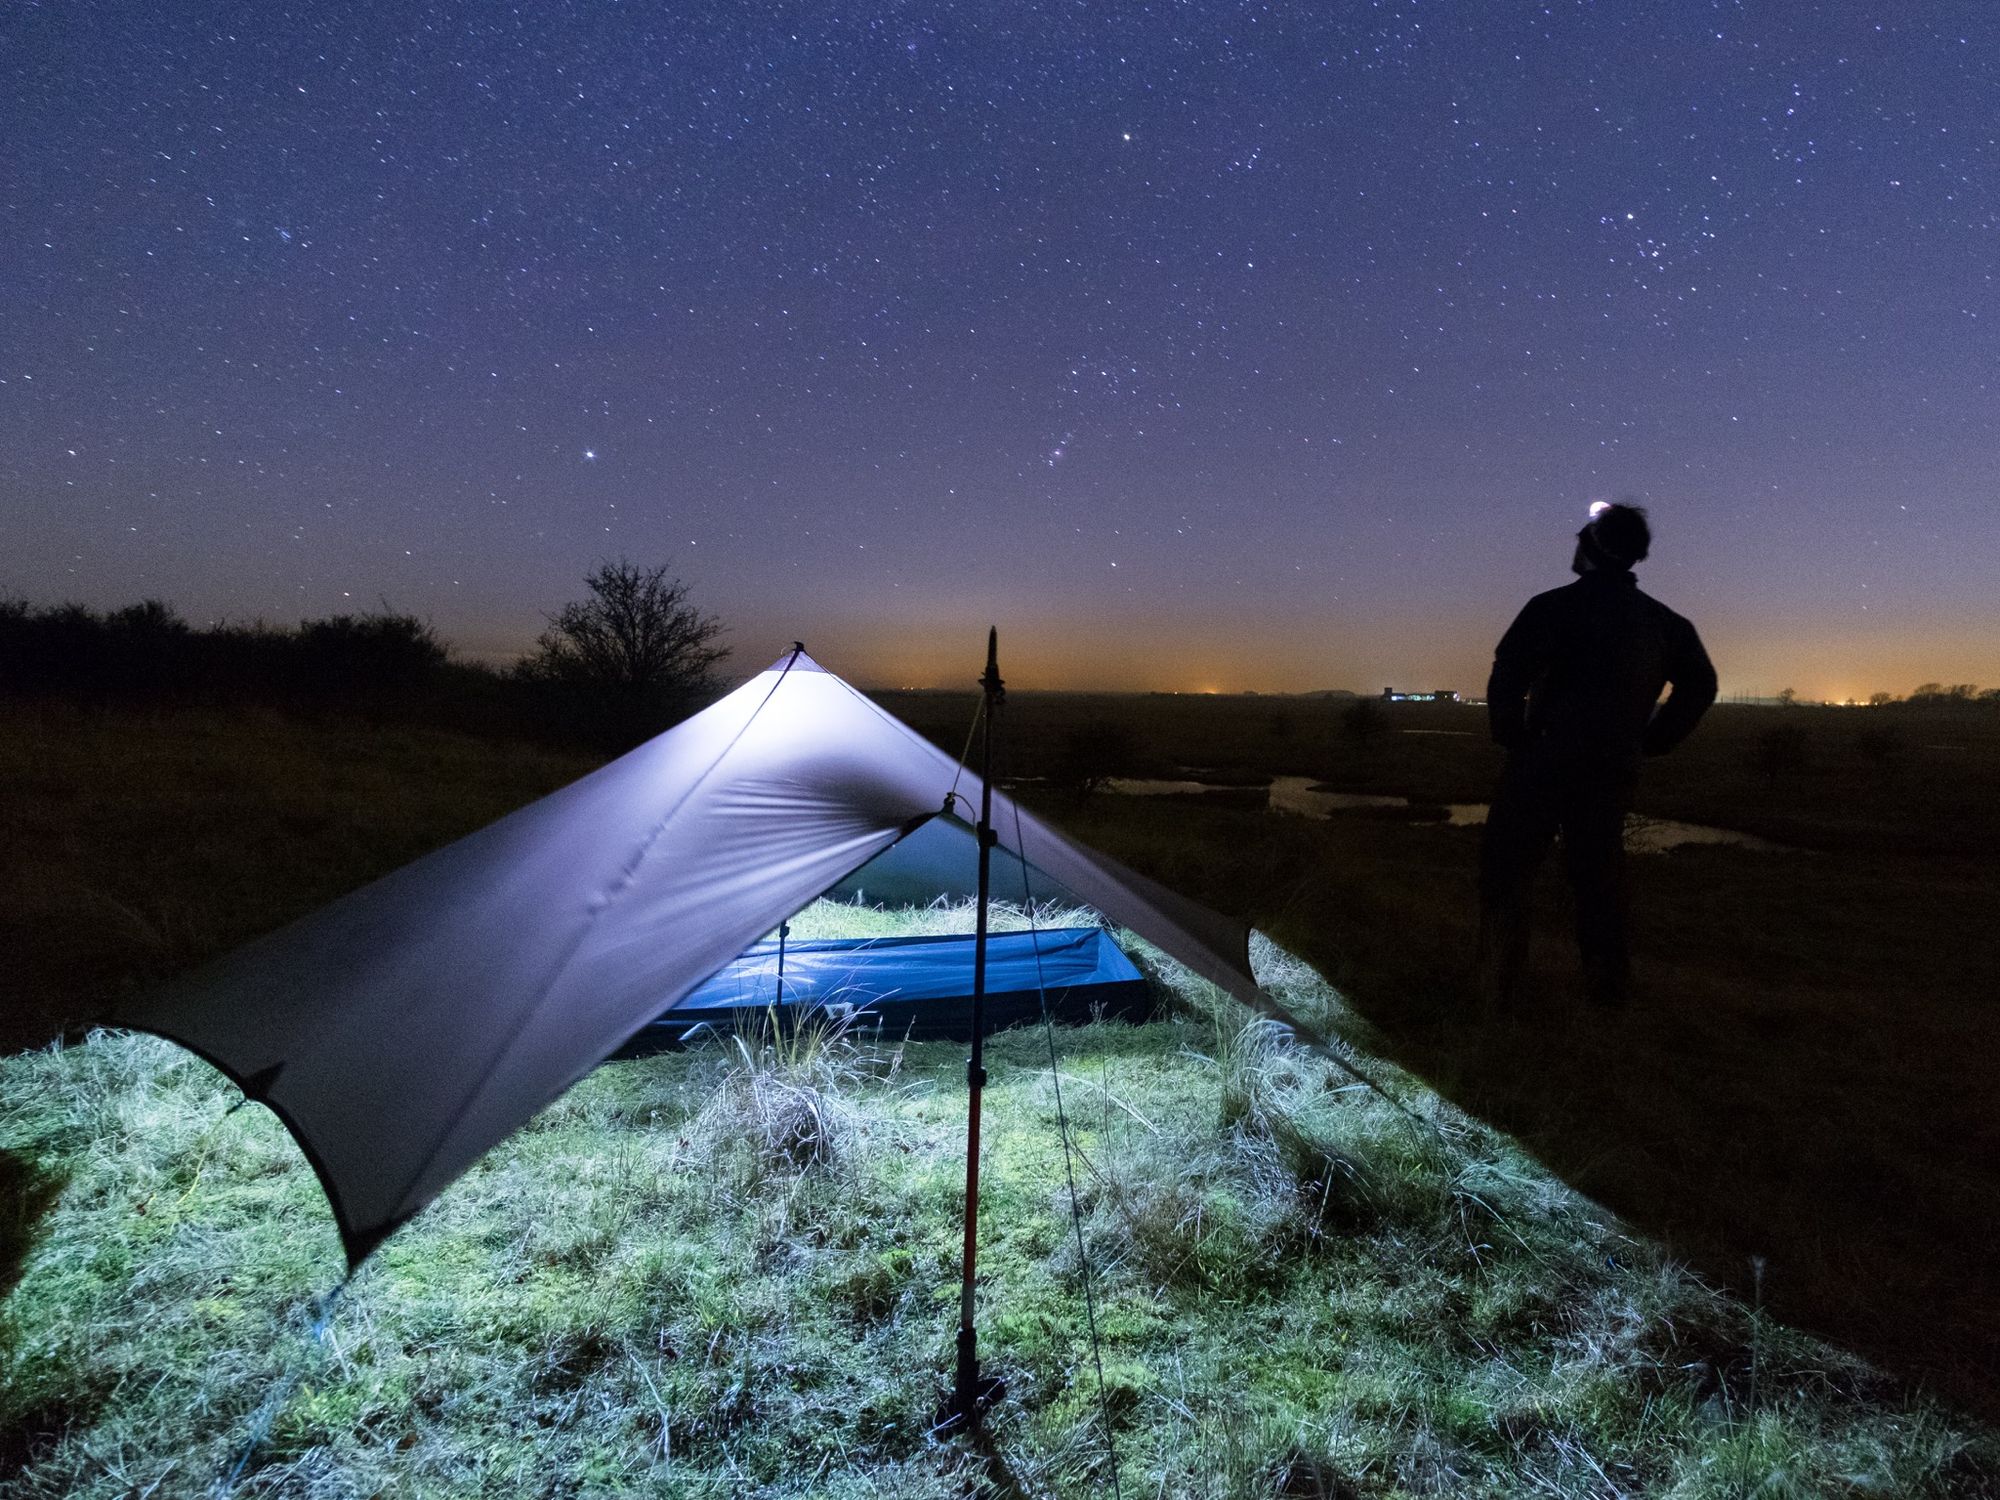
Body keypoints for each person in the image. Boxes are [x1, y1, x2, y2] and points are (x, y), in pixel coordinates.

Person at [1476, 502, 1717, 1011]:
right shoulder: (1665, 623)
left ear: (1591, 547)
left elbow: (1509, 670)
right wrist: (1653, 739)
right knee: (1599, 881)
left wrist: (1509, 733)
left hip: (1541, 761)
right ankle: (1607, 997)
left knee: (1508, 871)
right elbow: (1701, 684)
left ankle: (1498, 992)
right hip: (1610, 768)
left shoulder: (1551, 607)